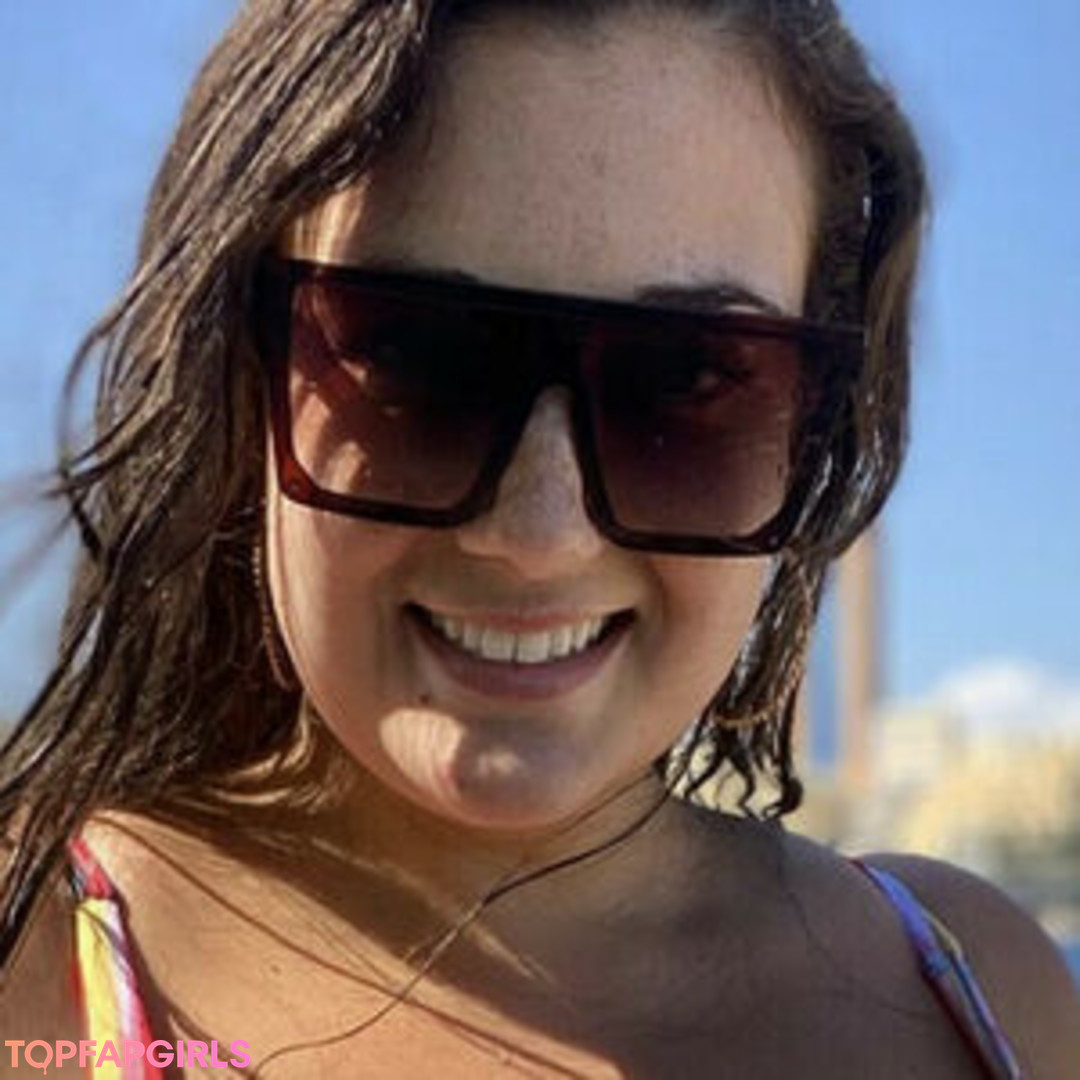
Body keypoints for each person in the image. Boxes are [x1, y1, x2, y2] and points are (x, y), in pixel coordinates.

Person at [1, 0, 1077, 1076]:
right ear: (239, 377)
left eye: (689, 379)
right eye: (414, 355)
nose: (539, 533)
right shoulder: (29, 972)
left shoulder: (984, 997)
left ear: (815, 434)